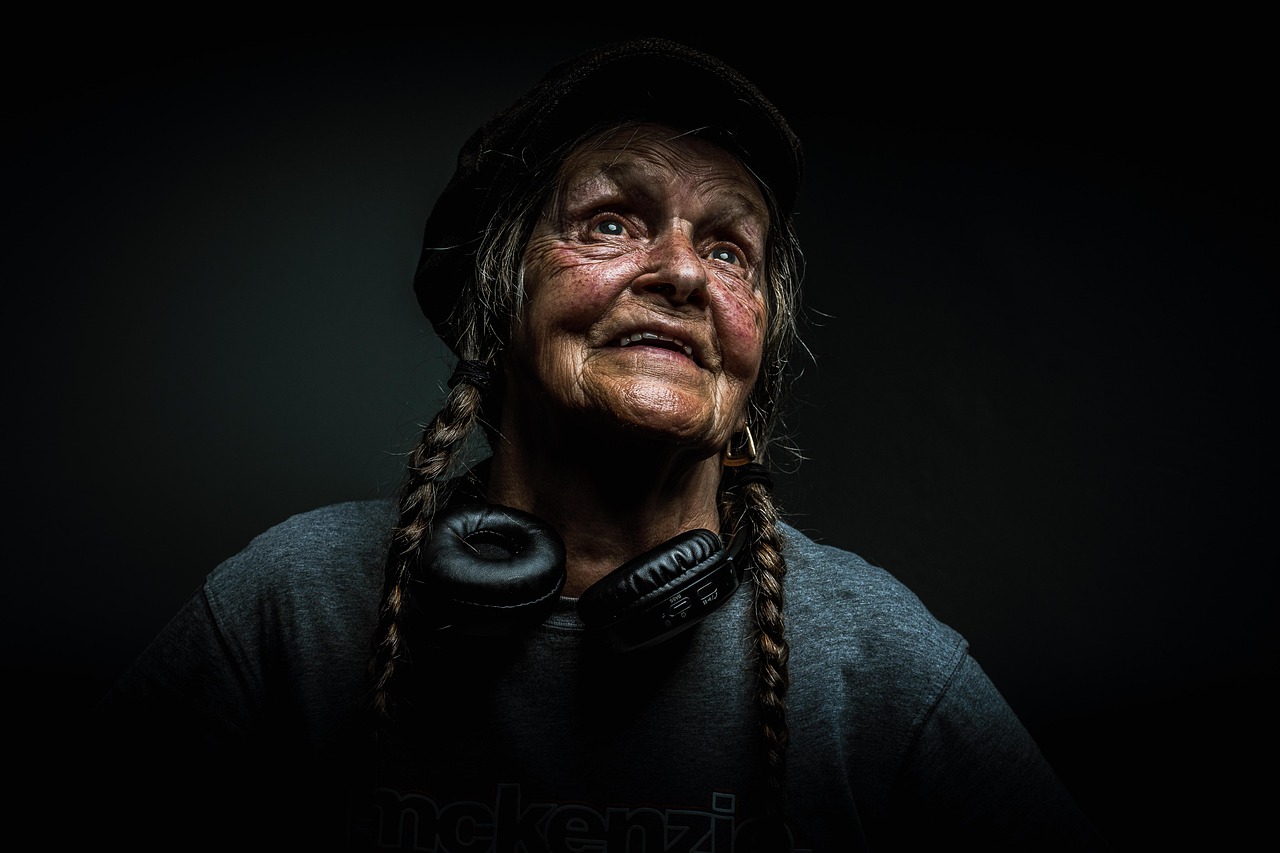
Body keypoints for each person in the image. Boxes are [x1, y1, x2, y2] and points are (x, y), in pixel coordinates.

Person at [88, 38, 1103, 851]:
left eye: (727, 248)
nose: (683, 274)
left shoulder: (885, 667)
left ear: (756, 345)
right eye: (612, 224)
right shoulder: (290, 607)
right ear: (501, 299)